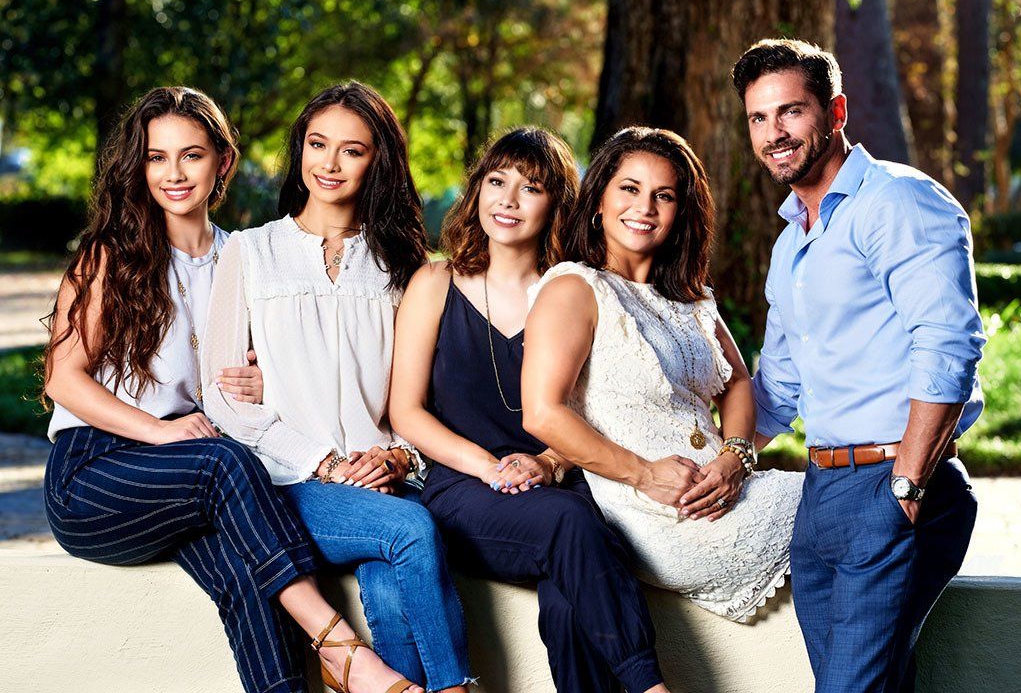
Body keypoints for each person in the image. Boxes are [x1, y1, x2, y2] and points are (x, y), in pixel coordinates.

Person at [42, 86, 416, 693]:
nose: (173, 173)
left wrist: (272, 377)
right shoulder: (111, 256)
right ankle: (345, 653)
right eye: (156, 157)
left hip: (196, 475)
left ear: (224, 160)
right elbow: (64, 379)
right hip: (97, 473)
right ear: (138, 167)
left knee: (248, 574)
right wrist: (161, 432)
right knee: (226, 465)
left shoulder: (244, 258)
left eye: (191, 155)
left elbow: (262, 376)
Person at [201, 82, 472, 693]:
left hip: (382, 483)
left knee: (386, 581)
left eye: (352, 150)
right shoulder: (249, 252)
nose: (329, 163)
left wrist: (399, 457)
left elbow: (417, 398)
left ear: (378, 161)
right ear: (299, 151)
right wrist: (321, 461)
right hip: (286, 485)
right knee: (409, 533)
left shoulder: (403, 265)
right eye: (318, 145)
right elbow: (220, 397)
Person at [732, 38, 983, 693]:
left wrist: (905, 488)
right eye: (759, 118)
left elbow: (948, 343)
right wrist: (724, 463)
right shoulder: (792, 242)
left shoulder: (896, 202)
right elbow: (780, 383)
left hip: (893, 484)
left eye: (791, 112)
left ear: (836, 111)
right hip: (822, 498)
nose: (774, 133)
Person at [390, 127, 670, 693]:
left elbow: (599, 406)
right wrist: (488, 468)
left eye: (531, 187)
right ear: (477, 191)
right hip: (462, 489)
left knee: (569, 604)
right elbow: (407, 412)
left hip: (559, 483)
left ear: (558, 204)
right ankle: (650, 687)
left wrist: (549, 462)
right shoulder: (434, 281)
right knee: (572, 524)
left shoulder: (574, 291)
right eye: (497, 181)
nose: (508, 200)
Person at [521, 126, 803, 623]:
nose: (644, 207)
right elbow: (542, 413)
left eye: (663, 195)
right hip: (655, 515)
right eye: (629, 188)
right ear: (599, 201)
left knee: (858, 503)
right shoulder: (573, 288)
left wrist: (735, 458)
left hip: (727, 488)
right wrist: (645, 474)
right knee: (851, 500)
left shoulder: (691, 298)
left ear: (680, 213)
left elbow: (737, 383)